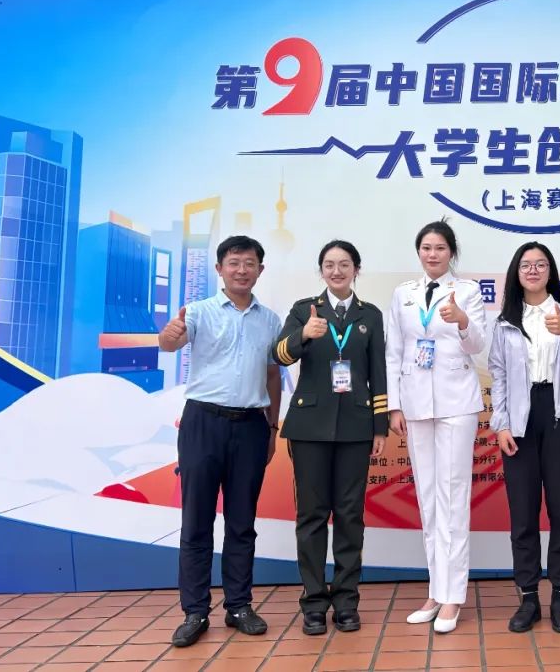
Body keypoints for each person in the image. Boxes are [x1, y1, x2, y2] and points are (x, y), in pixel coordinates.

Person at [158, 235, 282, 648]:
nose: (241, 270)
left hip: (251, 426)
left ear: (260, 270)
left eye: (249, 263)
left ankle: (239, 605)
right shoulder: (198, 312)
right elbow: (169, 343)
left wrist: (272, 427)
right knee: (196, 521)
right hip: (202, 423)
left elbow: (272, 375)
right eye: (234, 262)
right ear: (219, 269)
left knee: (242, 522)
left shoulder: (271, 320)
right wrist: (170, 333)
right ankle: (195, 611)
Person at [272, 240, 389, 635]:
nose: (336, 271)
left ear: (356, 269)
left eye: (344, 264)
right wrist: (303, 335)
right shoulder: (304, 310)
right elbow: (279, 355)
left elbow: (378, 373)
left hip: (356, 427)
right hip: (309, 428)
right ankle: (313, 602)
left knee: (350, 515)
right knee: (312, 515)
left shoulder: (370, 315)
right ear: (321, 270)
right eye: (329, 264)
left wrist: (379, 426)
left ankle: (346, 600)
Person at [385, 220, 487, 634]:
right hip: (415, 404)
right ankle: (435, 590)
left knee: (453, 496)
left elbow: (478, 345)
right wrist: (394, 406)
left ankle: (453, 595)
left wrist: (462, 320)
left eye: (440, 248)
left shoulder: (468, 291)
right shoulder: (403, 294)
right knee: (428, 498)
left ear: (451, 253)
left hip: (456, 403)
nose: (432, 254)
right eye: (426, 247)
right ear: (419, 252)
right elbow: (394, 350)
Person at [488, 242, 560, 634]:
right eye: (526, 265)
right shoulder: (505, 321)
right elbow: (498, 374)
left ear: (550, 271)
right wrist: (501, 424)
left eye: (540, 264)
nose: (533, 270)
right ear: (516, 272)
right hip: (519, 418)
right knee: (523, 512)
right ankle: (528, 597)